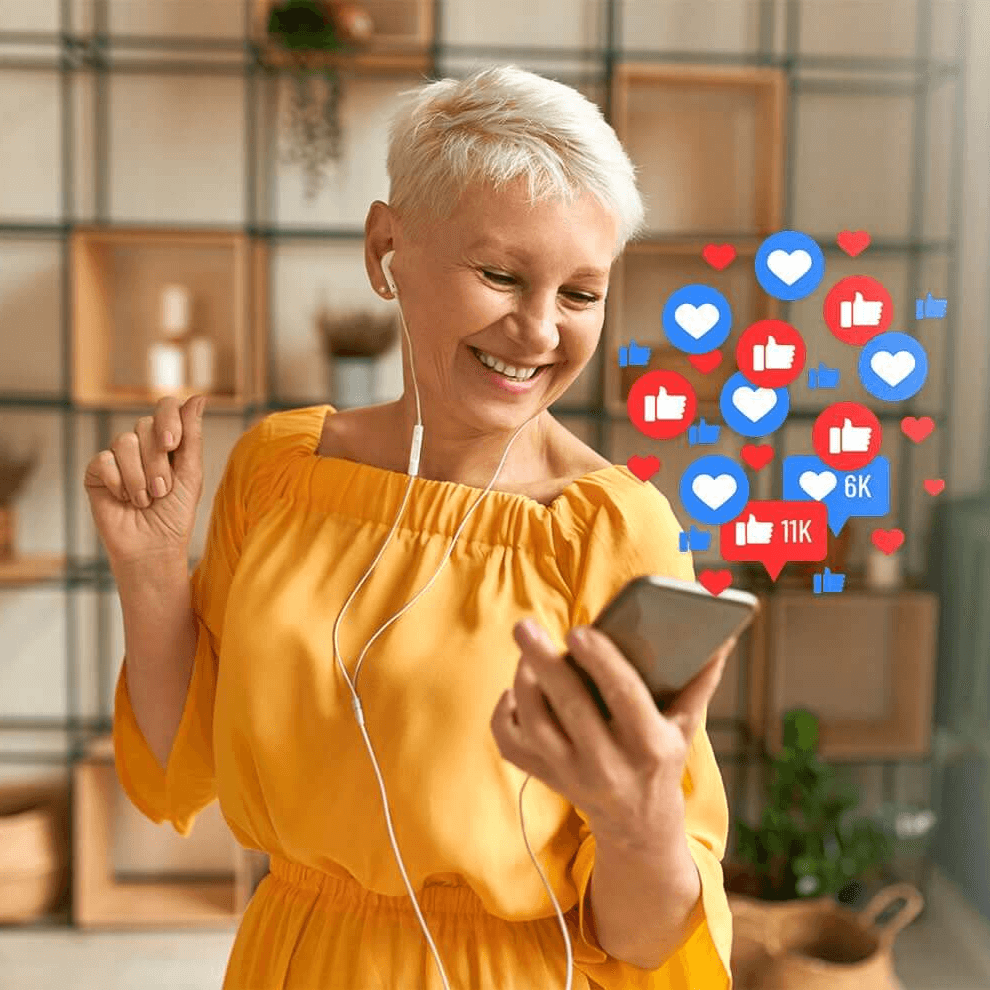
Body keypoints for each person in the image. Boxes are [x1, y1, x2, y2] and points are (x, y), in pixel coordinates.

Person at [86, 64, 736, 990]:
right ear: (386, 245)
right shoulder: (280, 471)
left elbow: (643, 942)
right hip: (289, 958)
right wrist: (152, 574)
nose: (540, 330)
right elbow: (181, 763)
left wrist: (637, 819)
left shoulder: (610, 531)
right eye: (502, 275)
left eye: (582, 294)